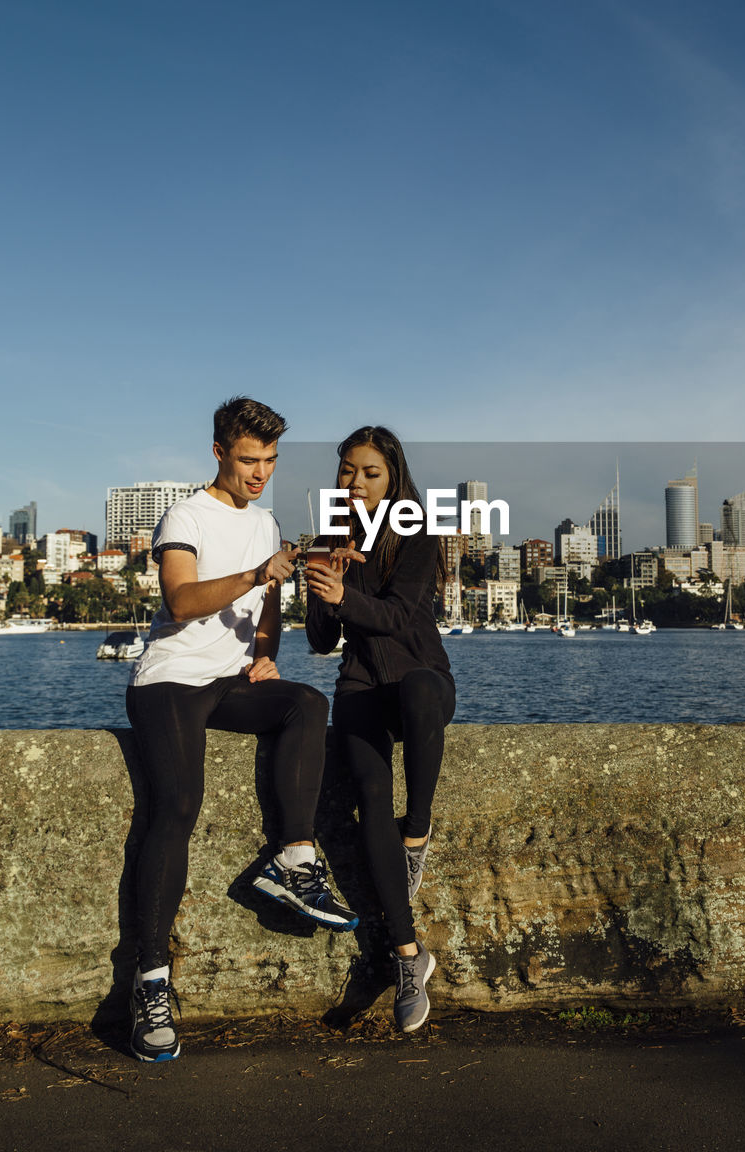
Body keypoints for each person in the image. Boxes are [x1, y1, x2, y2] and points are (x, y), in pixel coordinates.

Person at [126, 397, 357, 1064]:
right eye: (249, 460)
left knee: (305, 706)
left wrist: (264, 650)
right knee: (173, 810)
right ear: (220, 453)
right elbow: (182, 598)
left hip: (228, 684)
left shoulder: (267, 522)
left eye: (271, 462)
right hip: (169, 681)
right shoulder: (185, 515)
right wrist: (258, 572)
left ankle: (293, 859)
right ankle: (150, 983)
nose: (260, 473)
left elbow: (269, 606)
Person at [305, 426, 454, 1033]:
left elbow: (395, 617)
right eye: (347, 471)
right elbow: (322, 642)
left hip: (421, 679)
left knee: (417, 688)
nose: (357, 482)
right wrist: (321, 586)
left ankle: (415, 836)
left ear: (393, 476)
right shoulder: (328, 539)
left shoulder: (416, 531)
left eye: (370, 472)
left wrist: (346, 594)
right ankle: (407, 958)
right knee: (369, 799)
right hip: (360, 685)